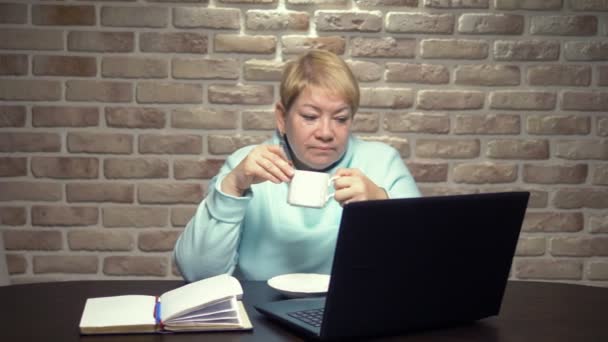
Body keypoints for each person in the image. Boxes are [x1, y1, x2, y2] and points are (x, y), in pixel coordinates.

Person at [174, 49, 420, 282]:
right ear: (282, 117)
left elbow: (424, 266)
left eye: (341, 119)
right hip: (258, 312)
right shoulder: (247, 166)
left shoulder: (382, 162)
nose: (325, 132)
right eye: (310, 117)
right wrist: (232, 187)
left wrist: (383, 205)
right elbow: (196, 274)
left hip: (353, 311)